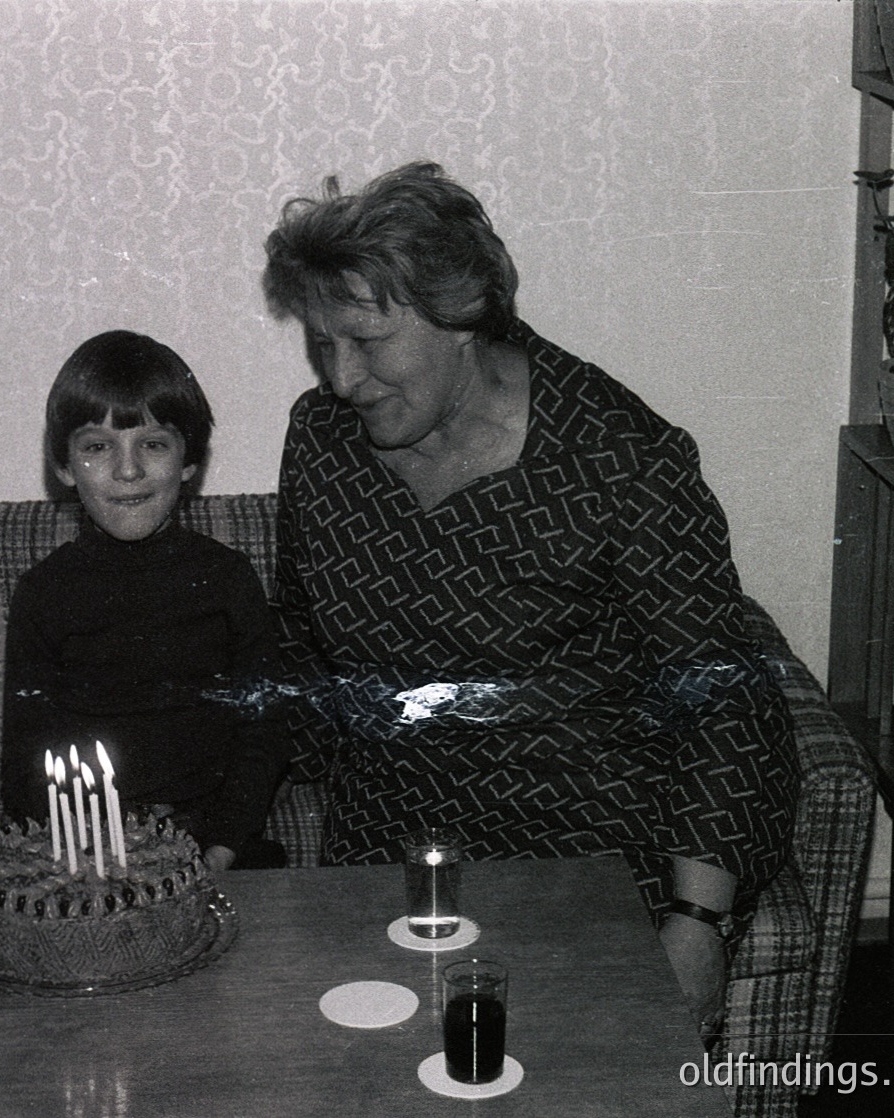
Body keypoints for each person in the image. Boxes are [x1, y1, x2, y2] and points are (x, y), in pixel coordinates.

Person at [261, 162, 798, 1035]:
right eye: (323, 343)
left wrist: (697, 923)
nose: (342, 378)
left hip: (585, 855)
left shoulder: (619, 458)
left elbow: (725, 704)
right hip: (394, 854)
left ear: (463, 315)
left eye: (366, 341)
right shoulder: (322, 443)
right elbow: (297, 642)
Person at [0, 329, 289, 871]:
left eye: (152, 444)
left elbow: (264, 731)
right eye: (97, 446)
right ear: (64, 466)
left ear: (189, 460)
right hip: (87, 852)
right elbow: (26, 760)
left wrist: (221, 848)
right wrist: (79, 859)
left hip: (214, 844)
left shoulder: (226, 578)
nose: (127, 469)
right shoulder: (44, 592)